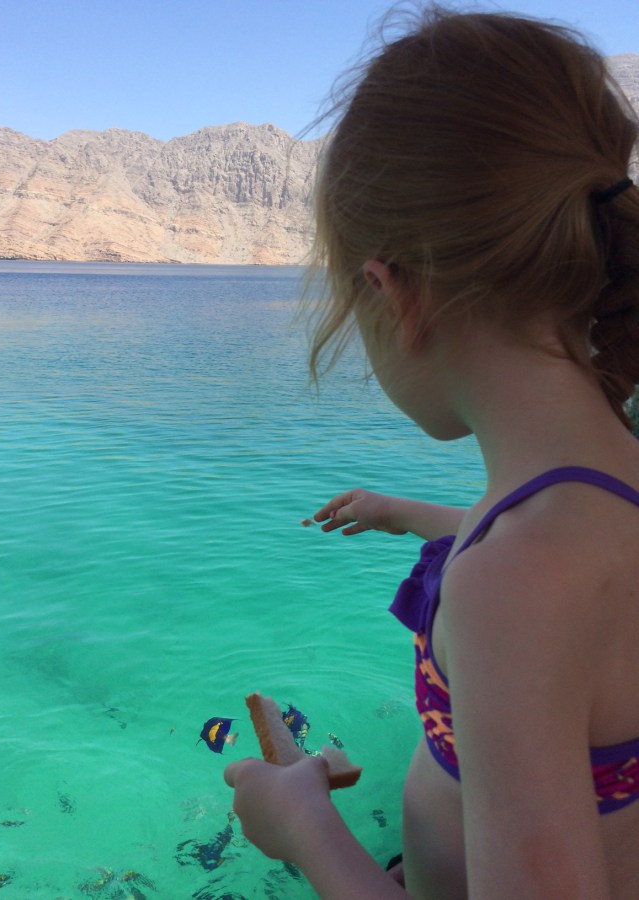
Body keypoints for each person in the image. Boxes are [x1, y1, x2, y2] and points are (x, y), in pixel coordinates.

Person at [224, 6, 639, 898]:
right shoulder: (596, 484)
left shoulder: (508, 587)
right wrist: (410, 515)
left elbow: (533, 589)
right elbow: (580, 575)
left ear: (392, 294)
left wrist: (304, 829)